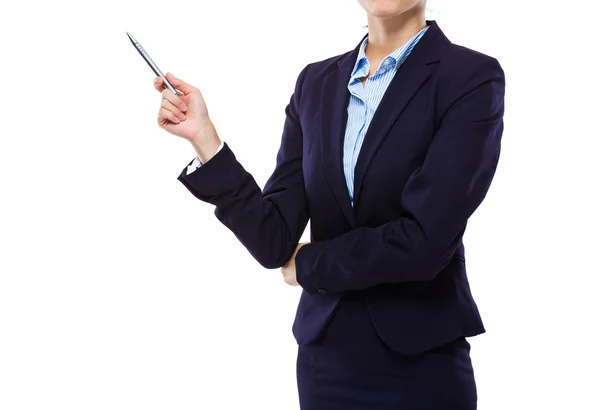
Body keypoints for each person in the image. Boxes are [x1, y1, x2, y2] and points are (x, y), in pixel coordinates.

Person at [152, 0, 504, 408]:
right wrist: (206, 140)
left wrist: (310, 264)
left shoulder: (471, 78)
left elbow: (425, 242)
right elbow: (273, 240)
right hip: (326, 363)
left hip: (422, 363)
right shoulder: (316, 83)